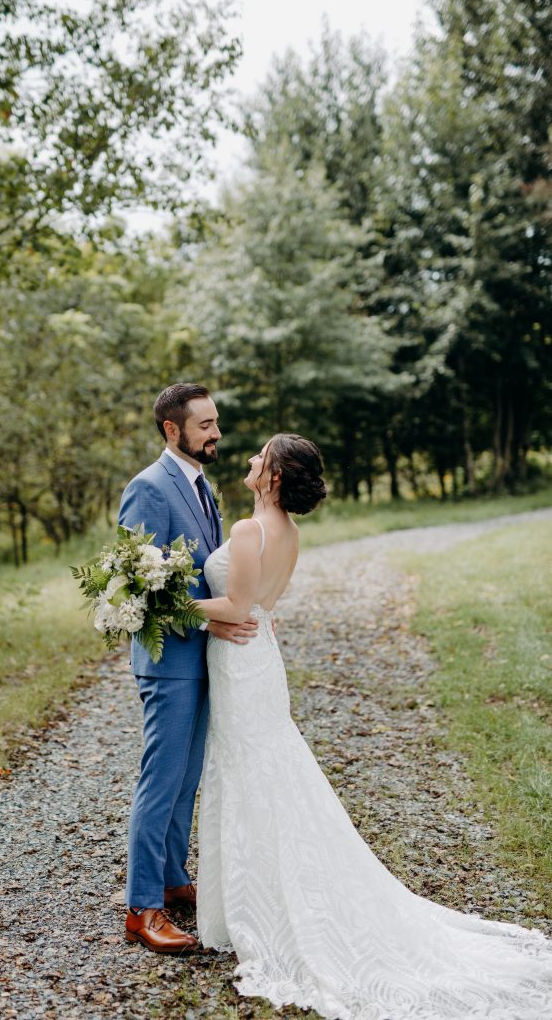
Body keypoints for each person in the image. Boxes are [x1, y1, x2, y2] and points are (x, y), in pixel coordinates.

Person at [194, 432, 552, 1019]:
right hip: (259, 660)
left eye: (261, 455)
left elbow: (236, 609)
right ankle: (256, 897)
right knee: (265, 771)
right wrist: (226, 617)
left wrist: (169, 603)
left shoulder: (247, 531)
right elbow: (264, 605)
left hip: (242, 662)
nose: (252, 459)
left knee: (252, 772)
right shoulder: (289, 533)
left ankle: (265, 908)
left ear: (275, 475)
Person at [118, 383, 258, 954]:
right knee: (161, 779)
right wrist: (207, 621)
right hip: (169, 661)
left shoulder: (203, 488)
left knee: (187, 778)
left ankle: (174, 879)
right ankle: (142, 906)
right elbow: (137, 585)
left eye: (216, 422)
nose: (216, 433)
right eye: (204, 425)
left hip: (203, 658)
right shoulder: (148, 488)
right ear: (172, 430)